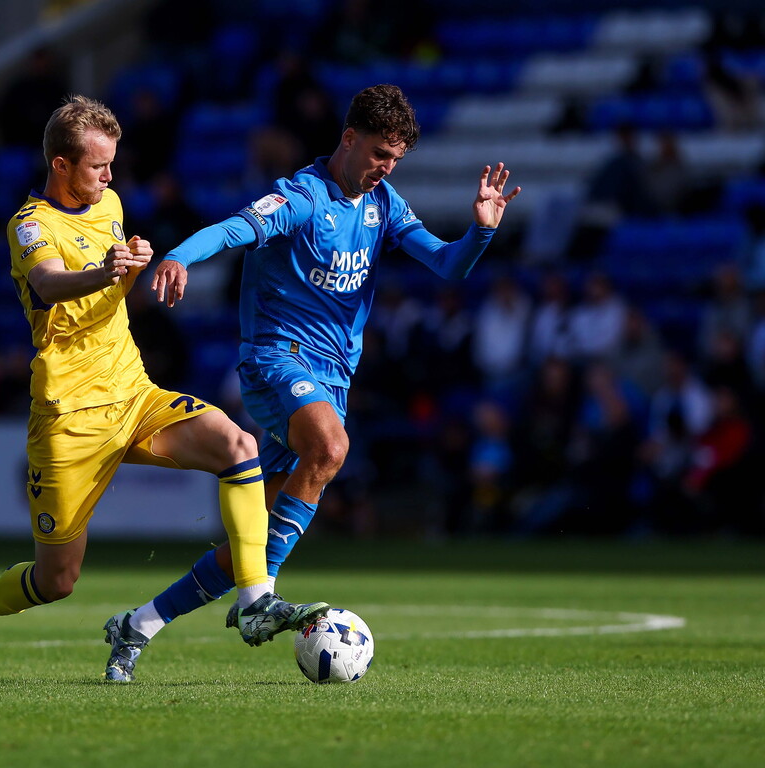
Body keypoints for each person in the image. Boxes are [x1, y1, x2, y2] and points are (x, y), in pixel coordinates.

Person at [0, 95, 327, 685]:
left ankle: (256, 600)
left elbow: (114, 291)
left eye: (112, 164)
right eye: (98, 165)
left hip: (133, 392)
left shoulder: (112, 204)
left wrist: (134, 265)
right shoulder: (30, 224)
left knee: (239, 446)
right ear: (61, 166)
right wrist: (105, 270)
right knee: (57, 580)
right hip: (70, 416)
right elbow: (48, 283)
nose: (109, 176)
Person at [150, 84, 520, 624]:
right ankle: (260, 602)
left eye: (395, 160)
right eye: (379, 154)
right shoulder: (302, 198)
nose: (386, 168)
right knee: (330, 446)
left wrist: (481, 233)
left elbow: (447, 264)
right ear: (349, 138)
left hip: (333, 377)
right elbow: (234, 229)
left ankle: (140, 623)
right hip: (277, 358)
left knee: (254, 536)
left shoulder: (383, 204)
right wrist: (180, 256)